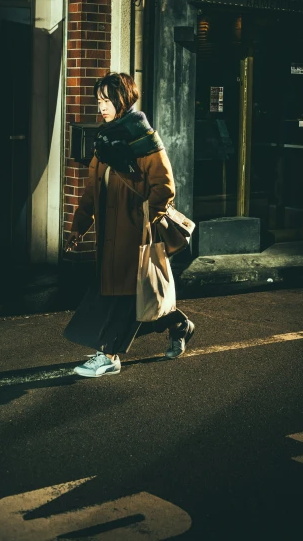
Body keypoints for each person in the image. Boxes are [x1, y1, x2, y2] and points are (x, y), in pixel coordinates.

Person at [64, 71, 195, 378]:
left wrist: (142, 219)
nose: (102, 107)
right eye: (98, 101)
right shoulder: (105, 140)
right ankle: (179, 325)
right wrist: (78, 228)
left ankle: (108, 355)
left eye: (107, 100)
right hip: (109, 236)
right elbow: (91, 192)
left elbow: (164, 188)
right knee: (138, 298)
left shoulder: (144, 139)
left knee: (120, 297)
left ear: (122, 99)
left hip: (135, 236)